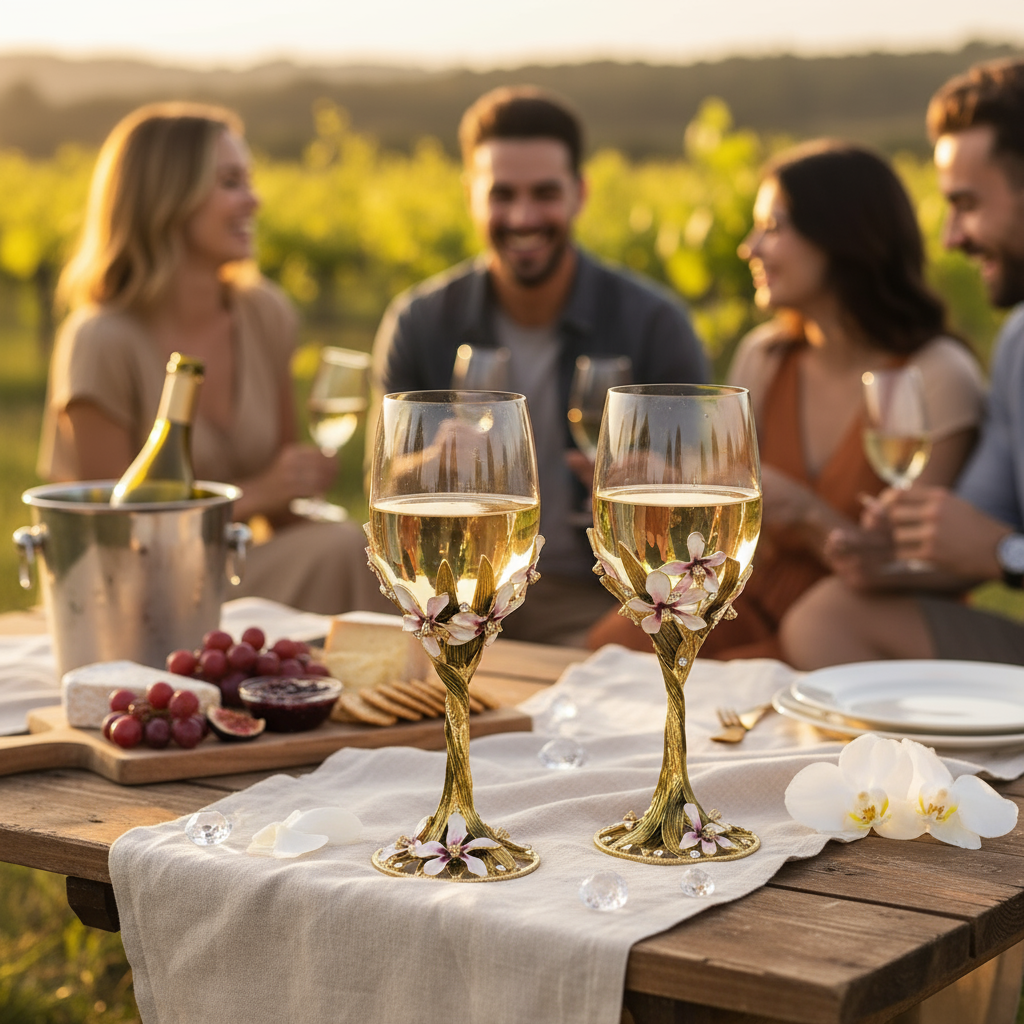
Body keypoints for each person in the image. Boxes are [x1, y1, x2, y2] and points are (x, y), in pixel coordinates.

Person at [588, 141, 985, 658]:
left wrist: (807, 515)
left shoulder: (934, 375)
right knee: (612, 650)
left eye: (772, 228)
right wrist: (666, 485)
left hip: (856, 629)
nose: (749, 247)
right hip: (750, 603)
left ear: (841, 235)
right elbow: (725, 537)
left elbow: (914, 566)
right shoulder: (766, 358)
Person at [370, 86, 710, 644]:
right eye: (502, 194)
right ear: (470, 196)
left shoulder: (655, 324)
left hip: (601, 603)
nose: (523, 216)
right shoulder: (420, 322)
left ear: (579, 194)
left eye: (544, 193)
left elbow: (703, 503)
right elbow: (379, 489)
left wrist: (660, 486)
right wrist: (431, 465)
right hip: (450, 595)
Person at [38, 101, 392, 616]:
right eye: (230, 183)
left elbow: (285, 513)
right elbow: (112, 536)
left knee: (358, 545)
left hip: (231, 572)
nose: (254, 201)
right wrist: (260, 493)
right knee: (343, 550)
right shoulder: (100, 339)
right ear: (167, 199)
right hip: (129, 598)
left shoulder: (263, 311)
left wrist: (305, 487)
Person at [778, 60, 1024, 671]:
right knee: (828, 618)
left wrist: (1008, 555)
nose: (950, 237)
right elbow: (967, 532)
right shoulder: (1018, 342)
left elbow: (993, 547)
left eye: (966, 204)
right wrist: (891, 551)